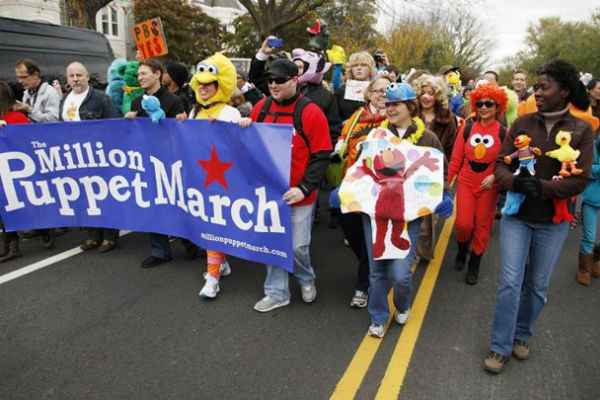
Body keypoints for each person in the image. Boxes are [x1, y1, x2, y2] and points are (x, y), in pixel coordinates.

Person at [484, 59, 594, 374]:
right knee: (509, 282)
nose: (538, 91)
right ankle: (500, 346)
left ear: (565, 91)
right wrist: (515, 182)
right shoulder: (521, 123)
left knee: (537, 286)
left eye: (545, 86)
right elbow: (501, 166)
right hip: (517, 216)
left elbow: (581, 179)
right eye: (537, 86)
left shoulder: (581, 130)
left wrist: (542, 187)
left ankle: (522, 334)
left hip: (553, 222)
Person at [239, 59, 332, 312]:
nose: (273, 85)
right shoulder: (260, 107)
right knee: (272, 244)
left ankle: (306, 277)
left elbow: (322, 154)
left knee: (297, 246)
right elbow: (250, 147)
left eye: (279, 80)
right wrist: (246, 127)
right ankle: (277, 292)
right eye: (270, 80)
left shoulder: (310, 112)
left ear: (295, 80)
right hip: (269, 192)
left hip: (299, 193)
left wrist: (304, 187)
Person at [365, 83, 452, 338]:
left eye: (396, 104)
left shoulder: (428, 138)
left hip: (408, 214)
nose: (389, 108)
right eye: (388, 104)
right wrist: (347, 189)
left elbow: (440, 170)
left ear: (410, 107)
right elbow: (361, 166)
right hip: (375, 212)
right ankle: (378, 317)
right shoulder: (376, 135)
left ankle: (403, 304)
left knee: (401, 274)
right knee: (377, 271)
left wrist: (444, 193)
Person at [186, 52, 241, 299]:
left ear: (220, 86)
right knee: (206, 227)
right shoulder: (192, 112)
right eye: (200, 83)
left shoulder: (230, 113)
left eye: (208, 84)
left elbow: (239, 149)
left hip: (224, 180)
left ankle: (213, 277)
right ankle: (220, 262)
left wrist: (245, 128)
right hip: (199, 180)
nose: (203, 88)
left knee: (214, 227)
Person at [333, 76, 390, 308]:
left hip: (384, 189)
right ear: (369, 94)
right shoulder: (356, 118)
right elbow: (343, 143)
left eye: (387, 91)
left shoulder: (395, 118)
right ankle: (368, 264)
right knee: (344, 218)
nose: (381, 95)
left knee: (372, 235)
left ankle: (363, 284)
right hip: (353, 184)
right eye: (377, 91)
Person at [125, 59, 186, 269]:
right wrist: (129, 120)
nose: (140, 77)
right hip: (145, 162)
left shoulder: (173, 101)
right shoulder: (136, 103)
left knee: (176, 204)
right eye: (139, 74)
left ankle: (190, 242)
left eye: (144, 73)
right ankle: (159, 251)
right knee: (152, 205)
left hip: (169, 162)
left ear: (157, 74)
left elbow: (179, 133)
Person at [447, 84, 508, 285]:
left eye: (489, 103)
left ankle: (474, 263)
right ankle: (463, 248)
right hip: (466, 182)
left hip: (489, 187)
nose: (484, 107)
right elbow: (456, 158)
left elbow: (507, 161)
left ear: (497, 106)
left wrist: (495, 178)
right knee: (464, 224)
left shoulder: (503, 133)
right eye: (480, 103)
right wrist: (447, 182)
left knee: (482, 226)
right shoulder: (467, 128)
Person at [59, 62, 121, 253]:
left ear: (87, 77)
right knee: (85, 197)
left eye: (79, 75)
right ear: (67, 79)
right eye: (72, 76)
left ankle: (110, 237)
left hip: (99, 157)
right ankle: (93, 235)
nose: (75, 79)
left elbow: (115, 125)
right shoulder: (64, 100)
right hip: (75, 158)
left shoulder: (101, 99)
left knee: (104, 196)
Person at [14, 59, 60, 248]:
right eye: (18, 77)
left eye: (23, 77)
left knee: (48, 187)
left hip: (48, 146)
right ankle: (40, 226)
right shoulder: (27, 92)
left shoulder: (49, 92)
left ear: (35, 75)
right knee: (35, 187)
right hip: (32, 146)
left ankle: (50, 229)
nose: (20, 81)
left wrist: (29, 110)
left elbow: (53, 120)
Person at [412, 74, 458, 262]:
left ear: (437, 96)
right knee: (410, 214)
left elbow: (450, 149)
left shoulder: (448, 119)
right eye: (423, 92)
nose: (426, 97)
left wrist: (444, 179)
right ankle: (408, 252)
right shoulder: (411, 114)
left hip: (433, 173)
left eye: (431, 93)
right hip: (410, 170)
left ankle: (421, 249)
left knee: (428, 219)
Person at [0, 81, 29, 262]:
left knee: (9, 207)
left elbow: (27, 142)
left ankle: (14, 245)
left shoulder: (16, 118)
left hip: (15, 173)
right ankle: (8, 243)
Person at [578, 133, 600, 285]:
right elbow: (585, 170)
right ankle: (584, 269)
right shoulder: (592, 146)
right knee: (589, 237)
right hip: (591, 198)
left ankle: (596, 261)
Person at [334, 51, 377, 121]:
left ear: (370, 69)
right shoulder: (341, 91)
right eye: (355, 65)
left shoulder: (377, 90)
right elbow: (334, 117)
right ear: (351, 69)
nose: (359, 68)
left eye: (363, 65)